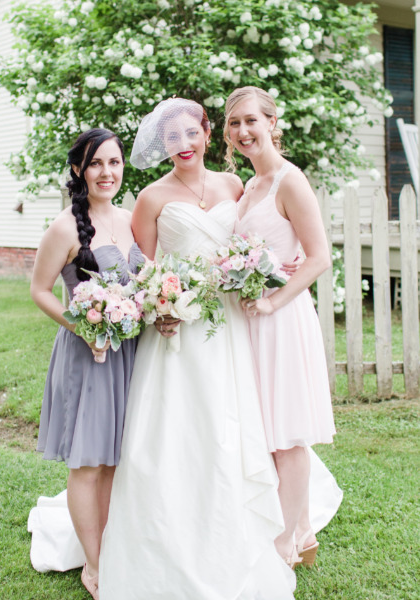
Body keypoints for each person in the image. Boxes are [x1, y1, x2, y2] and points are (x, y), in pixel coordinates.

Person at [98, 98, 297, 599]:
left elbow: (255, 243)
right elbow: (141, 272)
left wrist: (274, 269)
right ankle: (165, 534)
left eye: (192, 133)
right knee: (177, 430)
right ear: (162, 146)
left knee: (229, 425)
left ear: (208, 134)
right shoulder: (151, 197)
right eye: (171, 138)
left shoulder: (235, 186)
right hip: (177, 331)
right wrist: (158, 308)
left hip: (229, 325)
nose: (183, 144)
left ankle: (238, 531)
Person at [224, 86, 337, 568]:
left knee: (286, 435)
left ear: (273, 122)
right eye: (234, 124)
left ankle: (288, 542)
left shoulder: (290, 181)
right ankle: (302, 529)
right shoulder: (248, 187)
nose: (244, 131)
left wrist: (274, 302)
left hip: (282, 321)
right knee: (261, 429)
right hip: (248, 324)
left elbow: (319, 258)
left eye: (252, 120)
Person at [30, 128, 142, 600]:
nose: (107, 172)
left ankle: (112, 548)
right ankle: (95, 566)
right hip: (89, 355)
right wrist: (85, 328)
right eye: (96, 163)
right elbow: (38, 290)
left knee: (117, 461)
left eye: (114, 163)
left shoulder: (134, 219)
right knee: (88, 465)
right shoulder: (65, 227)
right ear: (79, 169)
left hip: (131, 355)